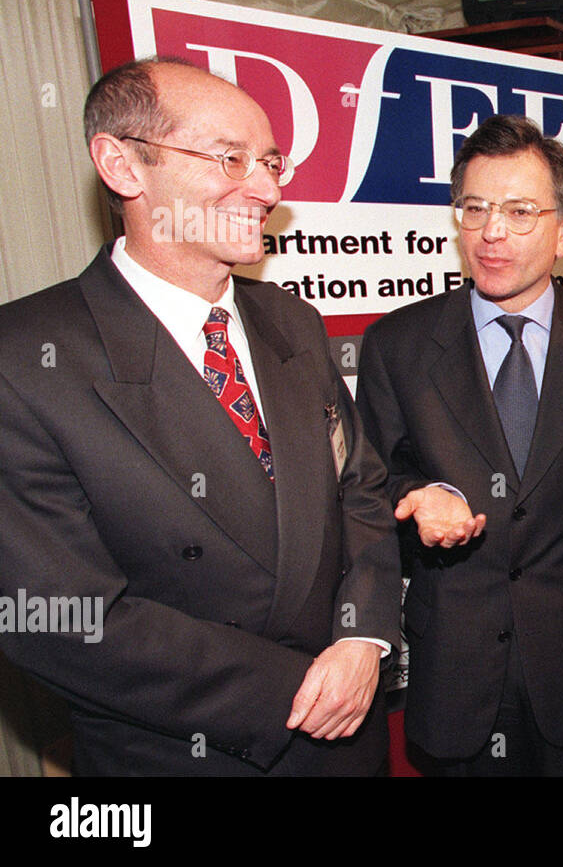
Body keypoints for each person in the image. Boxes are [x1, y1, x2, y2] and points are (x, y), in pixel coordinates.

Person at [0, 57, 400, 775]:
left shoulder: (293, 322)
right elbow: (63, 618)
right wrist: (304, 686)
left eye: (272, 162)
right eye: (230, 158)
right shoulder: (25, 358)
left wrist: (363, 637)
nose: (269, 188)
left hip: (350, 738)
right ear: (122, 165)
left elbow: (360, 491)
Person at [356, 114, 563, 776]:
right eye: (475, 208)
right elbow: (367, 491)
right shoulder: (397, 346)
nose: (492, 232)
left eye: (520, 211)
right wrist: (415, 498)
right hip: (455, 674)